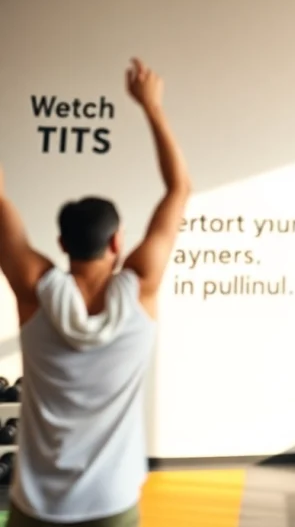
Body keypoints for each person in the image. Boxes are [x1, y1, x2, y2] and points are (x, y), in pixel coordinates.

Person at [0, 59, 191, 527]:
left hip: (36, 506)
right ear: (117, 243)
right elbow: (179, 189)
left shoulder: (35, 291)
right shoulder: (140, 290)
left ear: (62, 244)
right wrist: (151, 106)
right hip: (111, 504)